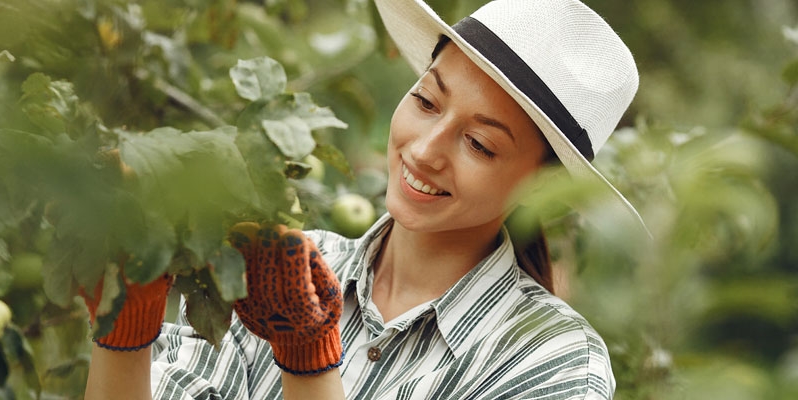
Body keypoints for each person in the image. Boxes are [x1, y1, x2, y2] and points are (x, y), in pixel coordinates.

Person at [83, 0, 646, 398]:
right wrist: (126, 326)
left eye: (479, 143)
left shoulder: (552, 362)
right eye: (426, 101)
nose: (424, 150)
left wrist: (309, 363)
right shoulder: (282, 269)